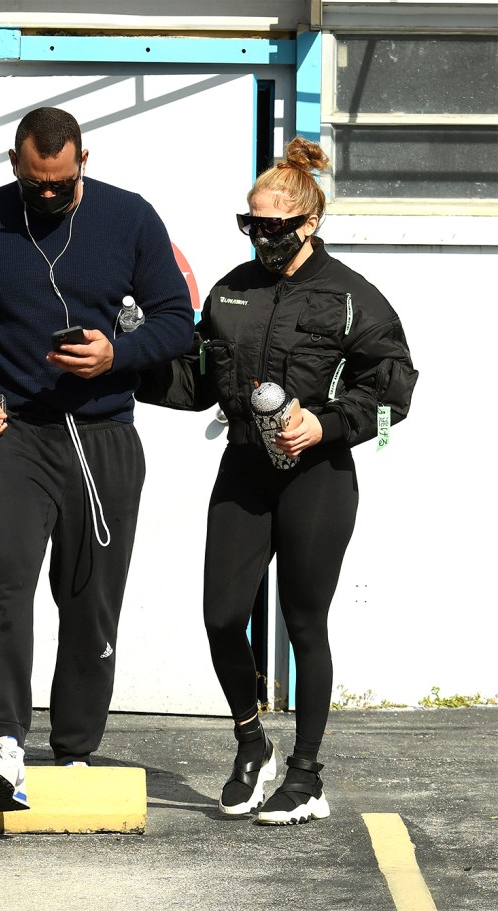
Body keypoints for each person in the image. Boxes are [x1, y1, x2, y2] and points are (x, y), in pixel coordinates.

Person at [0, 107, 193, 811]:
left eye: (61, 184)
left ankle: (73, 749)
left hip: (102, 434)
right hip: (13, 433)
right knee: (5, 584)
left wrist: (115, 353)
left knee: (91, 599)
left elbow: (174, 319)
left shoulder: (130, 218)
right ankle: (4, 744)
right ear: (15, 164)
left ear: (83, 162)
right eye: (36, 184)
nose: (48, 195)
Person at [138, 136, 417, 825]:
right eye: (250, 224)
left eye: (275, 226)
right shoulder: (232, 291)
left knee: (303, 622)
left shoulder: (352, 296)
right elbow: (197, 383)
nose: (262, 237)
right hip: (244, 465)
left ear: (309, 223)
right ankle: (251, 743)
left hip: (318, 477)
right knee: (222, 615)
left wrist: (328, 424)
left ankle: (307, 775)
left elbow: (394, 392)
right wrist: (128, 361)